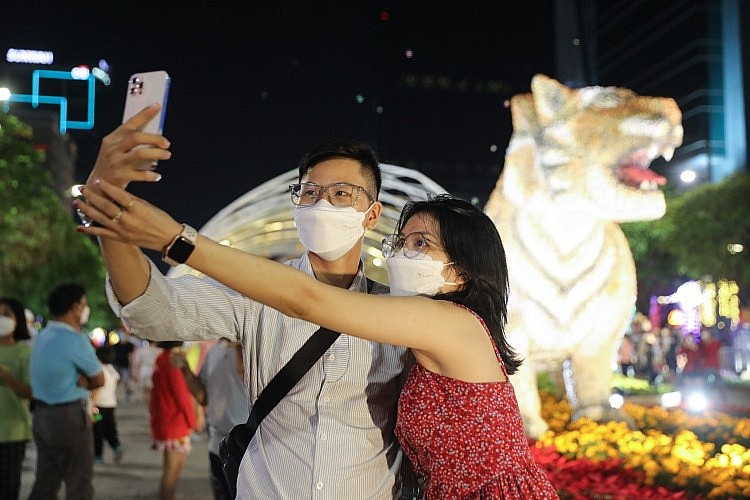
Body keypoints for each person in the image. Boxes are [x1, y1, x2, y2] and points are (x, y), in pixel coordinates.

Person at [76, 178, 559, 497]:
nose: (401, 254)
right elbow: (156, 314)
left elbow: (310, 303)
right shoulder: (419, 327)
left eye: (422, 245)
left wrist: (178, 239)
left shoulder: (447, 321)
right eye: (402, 242)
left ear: (460, 272)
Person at [79, 105, 411, 498]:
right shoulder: (255, 295)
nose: (323, 204)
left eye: (341, 194)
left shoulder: (399, 314)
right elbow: (153, 312)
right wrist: (105, 198)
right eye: (309, 192)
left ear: (372, 215)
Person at [28, 283, 104, 500]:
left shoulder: (41, 337)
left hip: (41, 416)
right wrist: (86, 381)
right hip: (68, 417)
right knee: (79, 482)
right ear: (75, 308)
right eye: (84, 304)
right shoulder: (75, 340)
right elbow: (99, 379)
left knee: (46, 481)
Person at [173, 339, 249, 500]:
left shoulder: (253, 345)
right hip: (218, 446)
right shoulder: (214, 350)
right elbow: (204, 397)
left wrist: (241, 350)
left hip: (250, 447)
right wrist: (185, 368)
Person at [150, 341, 197, 500]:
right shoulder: (174, 360)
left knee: (168, 470)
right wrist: (192, 421)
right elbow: (182, 396)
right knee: (173, 471)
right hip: (176, 422)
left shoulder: (161, 358)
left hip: (164, 418)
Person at [0, 297, 33, 500]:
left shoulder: (24, 353)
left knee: (8, 491)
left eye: (6, 314)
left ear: (17, 320)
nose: (1, 319)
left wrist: (5, 377)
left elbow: (30, 392)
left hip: (12, 433)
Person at [91, 344, 123, 464]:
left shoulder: (99, 370)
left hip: (98, 407)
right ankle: (116, 446)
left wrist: (91, 407)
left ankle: (98, 456)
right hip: (110, 405)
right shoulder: (112, 369)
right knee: (110, 428)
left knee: (97, 431)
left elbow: (96, 390)